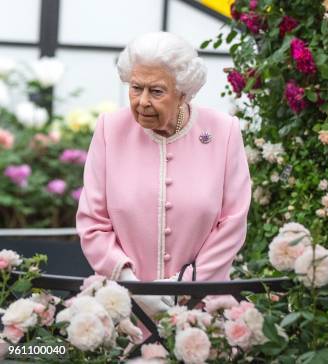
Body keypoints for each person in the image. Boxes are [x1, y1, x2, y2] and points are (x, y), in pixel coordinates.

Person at [76, 32, 252, 316]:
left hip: (201, 307)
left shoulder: (223, 131)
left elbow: (232, 222)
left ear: (183, 92)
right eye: (136, 88)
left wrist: (183, 286)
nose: (143, 101)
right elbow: (93, 222)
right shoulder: (110, 129)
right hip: (124, 308)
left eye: (156, 91)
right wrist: (131, 286)